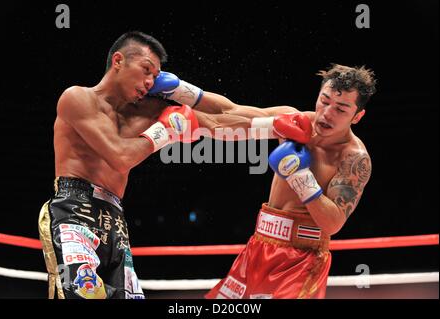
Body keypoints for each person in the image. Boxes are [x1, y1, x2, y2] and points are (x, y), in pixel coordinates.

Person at [38, 31, 305, 299]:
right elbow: (120, 157)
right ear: (118, 61)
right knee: (82, 295)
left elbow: (222, 117)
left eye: (155, 76)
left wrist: (290, 121)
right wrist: (164, 130)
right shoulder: (77, 99)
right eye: (145, 70)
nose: (149, 82)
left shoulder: (149, 111)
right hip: (73, 210)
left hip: (115, 218)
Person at [151, 64, 376, 298]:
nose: (327, 113)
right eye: (325, 100)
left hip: (300, 262)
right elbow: (232, 113)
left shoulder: (354, 158)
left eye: (341, 109)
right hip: (259, 246)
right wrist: (179, 90)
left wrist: (300, 176)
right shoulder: (295, 122)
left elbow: (333, 223)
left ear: (357, 116)